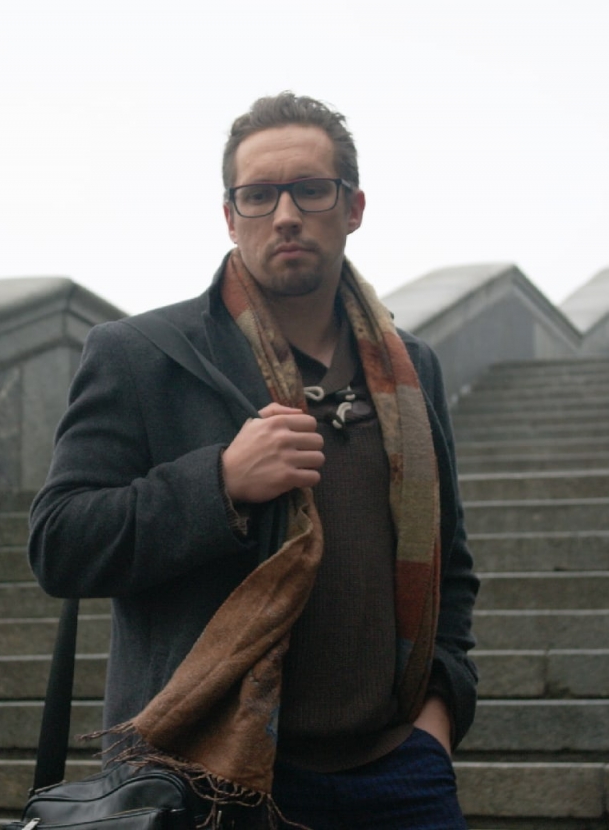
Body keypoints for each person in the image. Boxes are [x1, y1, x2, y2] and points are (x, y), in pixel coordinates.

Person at [29, 93, 478, 829]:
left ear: (354, 207)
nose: (286, 215)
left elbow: (449, 565)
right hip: (212, 782)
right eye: (259, 195)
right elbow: (60, 542)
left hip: (399, 774)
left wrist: (438, 720)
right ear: (230, 216)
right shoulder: (142, 356)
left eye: (311, 190)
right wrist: (221, 484)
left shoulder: (411, 369)